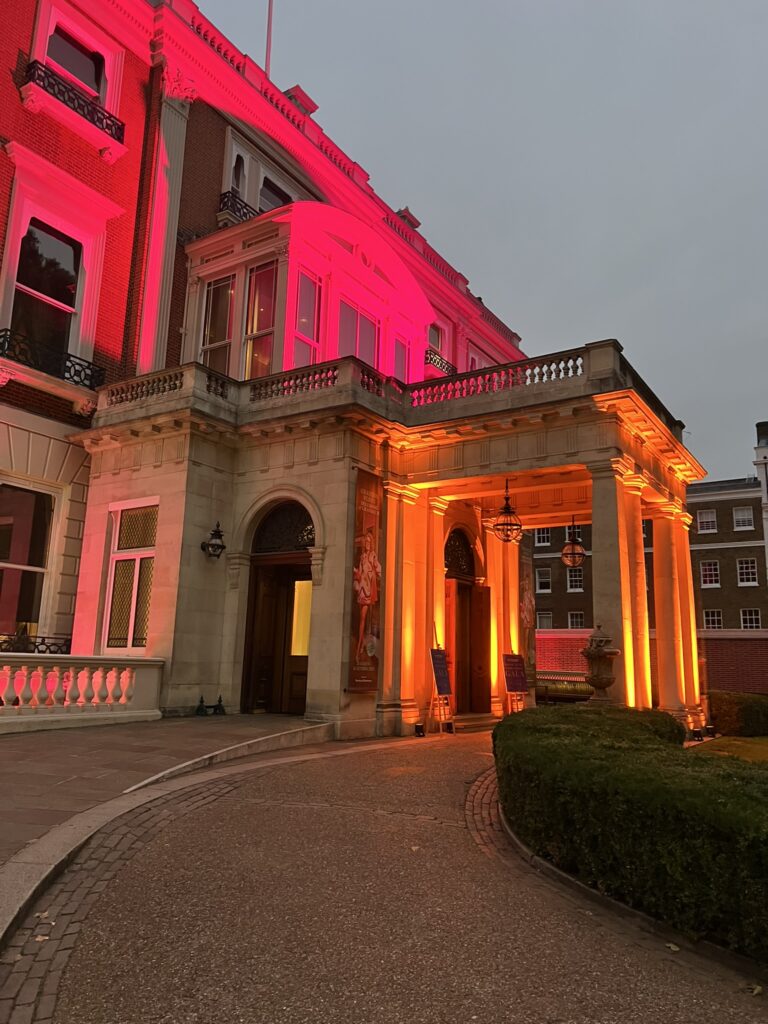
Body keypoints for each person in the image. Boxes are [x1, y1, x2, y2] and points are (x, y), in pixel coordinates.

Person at [353, 530, 381, 660]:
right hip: (362, 590)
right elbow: (359, 572)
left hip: (369, 590)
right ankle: (360, 646)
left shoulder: (373, 556)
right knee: (362, 620)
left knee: (366, 619)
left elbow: (378, 569)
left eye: (369, 542)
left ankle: (360, 648)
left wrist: (378, 576)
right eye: (366, 542)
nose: (367, 544)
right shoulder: (363, 557)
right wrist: (356, 573)